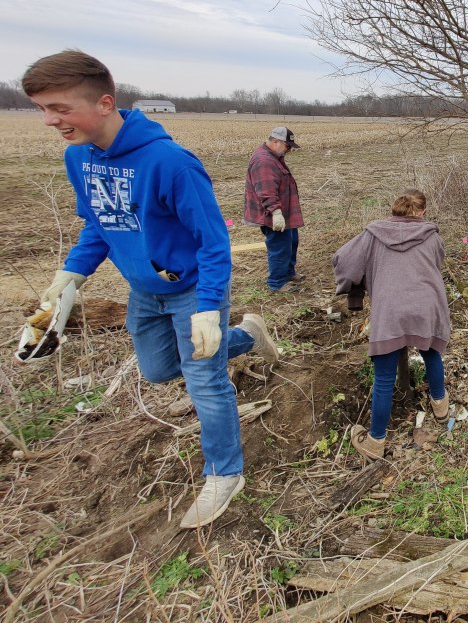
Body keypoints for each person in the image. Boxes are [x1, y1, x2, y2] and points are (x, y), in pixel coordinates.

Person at [23, 50, 279, 529]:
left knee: (205, 381)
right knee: (159, 370)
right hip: (144, 291)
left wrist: (208, 309)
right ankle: (246, 335)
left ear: (103, 103)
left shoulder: (170, 163)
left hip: (192, 289)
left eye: (59, 108)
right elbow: (100, 224)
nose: (49, 120)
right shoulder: (78, 157)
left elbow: (213, 242)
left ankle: (225, 473)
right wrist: (71, 274)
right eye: (42, 109)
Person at [332, 189, 451, 461]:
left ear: (395, 209)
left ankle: (375, 441)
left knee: (384, 378)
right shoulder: (432, 236)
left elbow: (344, 261)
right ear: (422, 212)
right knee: (431, 354)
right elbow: (437, 263)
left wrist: (354, 291)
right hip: (426, 306)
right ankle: (441, 408)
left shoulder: (373, 234)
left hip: (390, 311)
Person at [244, 127, 303, 293]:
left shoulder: (274, 157)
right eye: (287, 146)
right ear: (276, 141)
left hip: (284, 212)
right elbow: (266, 191)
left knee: (291, 241)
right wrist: (276, 212)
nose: (289, 150)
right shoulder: (264, 161)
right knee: (280, 247)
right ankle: (276, 283)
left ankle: (288, 272)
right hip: (272, 214)